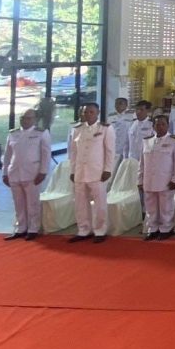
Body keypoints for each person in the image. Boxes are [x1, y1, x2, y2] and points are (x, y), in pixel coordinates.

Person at [68, 103, 115, 244]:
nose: (88, 114)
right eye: (85, 112)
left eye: (91, 112)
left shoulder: (105, 128)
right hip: (80, 172)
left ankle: (100, 230)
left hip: (97, 171)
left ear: (97, 113)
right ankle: (83, 230)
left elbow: (110, 151)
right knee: (80, 203)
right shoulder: (77, 129)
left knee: (99, 203)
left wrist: (108, 169)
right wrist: (72, 170)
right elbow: (73, 153)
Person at [2, 109, 50, 241]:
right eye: (22, 118)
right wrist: (5, 173)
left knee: (32, 202)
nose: (25, 120)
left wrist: (43, 171)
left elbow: (46, 154)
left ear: (35, 119)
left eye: (29, 118)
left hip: (32, 173)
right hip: (15, 172)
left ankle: (33, 228)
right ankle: (21, 228)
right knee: (18, 202)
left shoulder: (41, 133)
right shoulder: (13, 133)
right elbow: (7, 155)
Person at [138, 114, 175, 240]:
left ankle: (166, 228)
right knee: (150, 206)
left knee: (166, 207)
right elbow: (142, 163)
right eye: (157, 124)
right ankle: (152, 229)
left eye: (163, 124)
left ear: (168, 126)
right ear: (153, 126)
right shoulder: (146, 141)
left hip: (165, 180)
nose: (160, 127)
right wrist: (140, 179)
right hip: (149, 180)